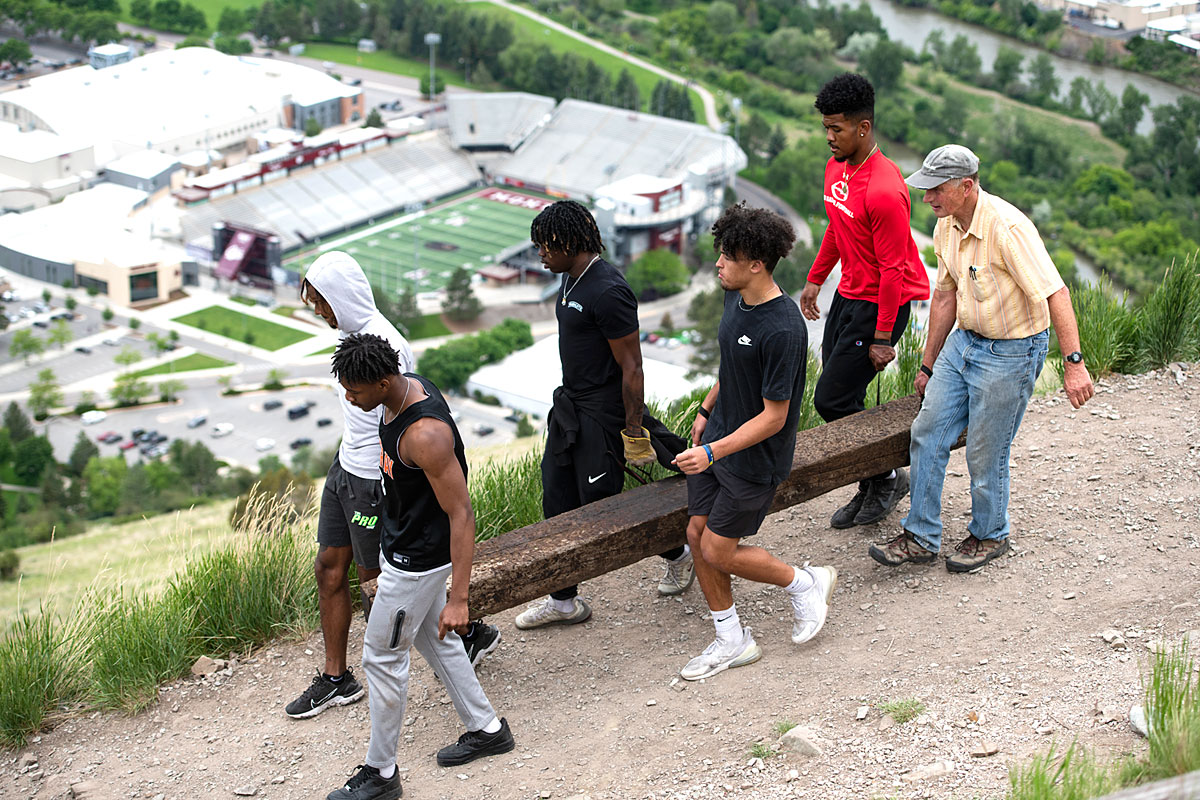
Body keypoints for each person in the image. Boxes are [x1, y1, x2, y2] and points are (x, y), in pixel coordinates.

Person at [288, 252, 498, 721]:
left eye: (322, 302)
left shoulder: (389, 345)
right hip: (345, 468)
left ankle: (462, 633)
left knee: (376, 583)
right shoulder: (349, 338)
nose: (319, 311)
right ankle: (337, 677)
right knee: (328, 567)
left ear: (342, 295)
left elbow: (404, 429)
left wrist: (380, 483)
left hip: (372, 477)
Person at [869, 144, 1095, 573]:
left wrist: (1074, 363)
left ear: (966, 186)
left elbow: (1057, 293)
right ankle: (920, 536)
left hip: (1012, 349)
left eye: (936, 189)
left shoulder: (1007, 228)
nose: (927, 198)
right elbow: (945, 294)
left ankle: (990, 534)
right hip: (964, 342)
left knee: (986, 451)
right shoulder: (946, 226)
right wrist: (928, 363)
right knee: (928, 431)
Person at [326, 333, 515, 800]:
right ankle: (487, 728)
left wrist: (460, 598)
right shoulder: (399, 393)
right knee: (436, 640)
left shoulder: (424, 434)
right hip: (403, 544)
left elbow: (462, 513)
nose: (350, 399)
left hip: (418, 563)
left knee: (382, 657)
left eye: (355, 391)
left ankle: (381, 774)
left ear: (384, 380)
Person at [674, 202, 838, 681]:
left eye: (728, 256)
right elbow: (730, 367)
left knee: (719, 551)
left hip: (752, 458)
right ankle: (732, 640)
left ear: (757, 265)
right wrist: (707, 410)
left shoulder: (784, 329)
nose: (718, 264)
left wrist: (711, 451)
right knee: (695, 535)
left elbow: (774, 417)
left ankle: (804, 583)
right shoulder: (735, 296)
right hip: (719, 441)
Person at [514, 200, 693, 630]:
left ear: (567, 241)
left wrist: (633, 430)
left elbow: (632, 366)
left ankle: (679, 552)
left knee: (609, 506)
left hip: (604, 411)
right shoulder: (569, 278)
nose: (539, 254)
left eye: (544, 245)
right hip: (571, 407)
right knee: (557, 502)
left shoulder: (608, 289)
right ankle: (563, 602)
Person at [799, 73, 930, 531]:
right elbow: (837, 226)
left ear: (864, 127)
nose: (829, 137)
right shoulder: (838, 167)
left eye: (837, 129)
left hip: (882, 306)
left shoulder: (885, 189)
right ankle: (875, 480)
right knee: (842, 392)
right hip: (849, 296)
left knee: (831, 399)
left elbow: (895, 271)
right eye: (826, 128)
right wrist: (816, 280)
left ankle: (888, 475)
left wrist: (881, 338)